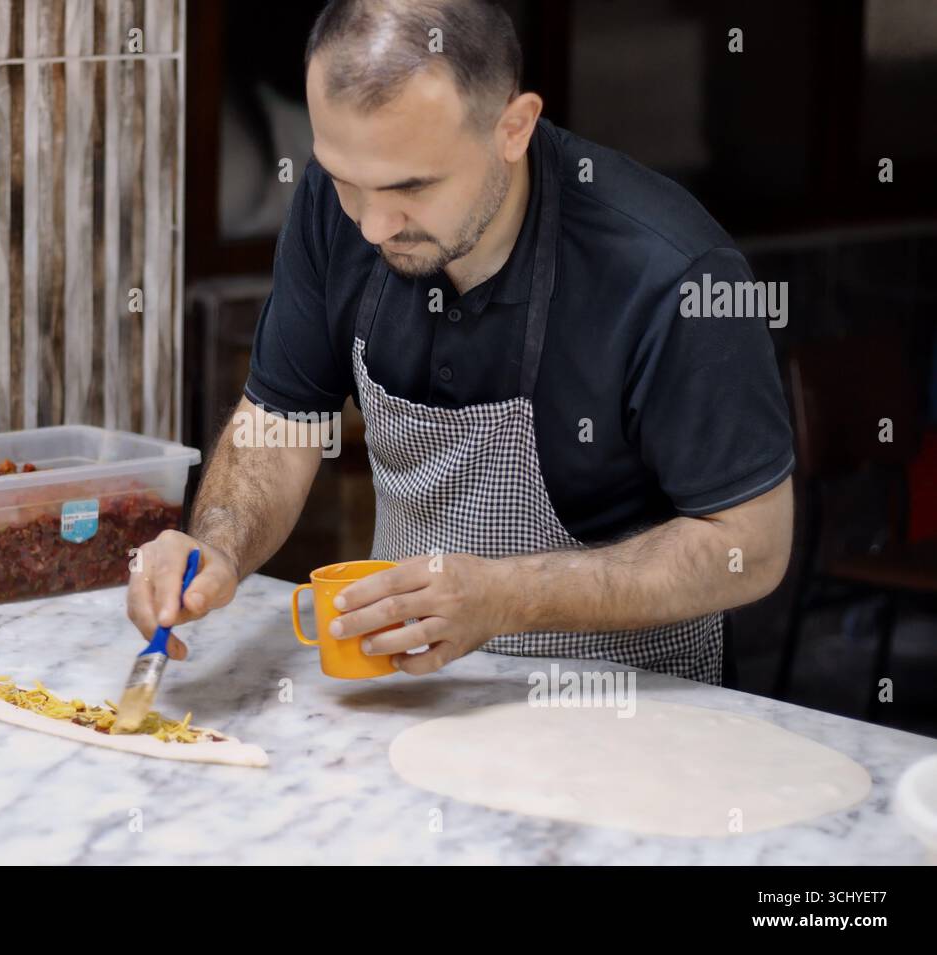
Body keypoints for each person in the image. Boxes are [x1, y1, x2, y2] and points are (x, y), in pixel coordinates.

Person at [127, 0, 794, 685]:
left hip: (631, 718)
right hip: (414, 694)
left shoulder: (667, 272)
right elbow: (282, 421)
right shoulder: (337, 208)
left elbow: (751, 544)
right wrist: (215, 548)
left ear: (514, 127)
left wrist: (506, 597)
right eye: (345, 180)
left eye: (411, 186)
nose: (373, 226)